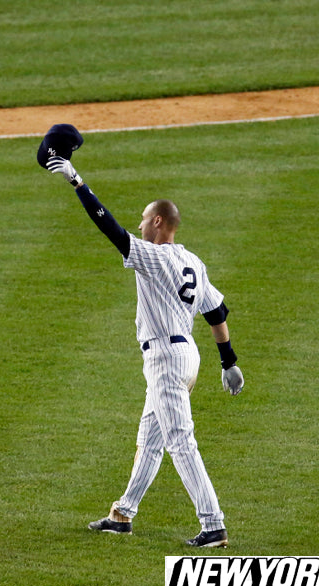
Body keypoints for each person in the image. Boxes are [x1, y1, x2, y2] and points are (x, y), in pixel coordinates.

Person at [45, 154, 244, 548]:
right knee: (150, 438)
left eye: (143, 218)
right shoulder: (193, 261)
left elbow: (110, 229)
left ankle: (213, 524)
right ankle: (123, 514)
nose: (138, 224)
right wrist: (229, 361)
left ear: (158, 223)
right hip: (187, 356)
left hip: (166, 361)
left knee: (180, 441)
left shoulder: (153, 257)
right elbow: (216, 311)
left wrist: (77, 181)